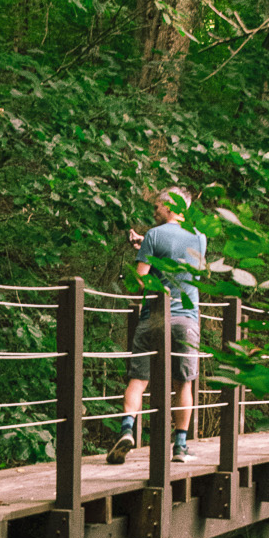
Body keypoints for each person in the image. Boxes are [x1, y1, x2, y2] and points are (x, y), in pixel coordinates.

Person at [107, 187, 207, 465]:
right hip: (187, 318)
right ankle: (180, 446)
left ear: (170, 205)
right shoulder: (200, 238)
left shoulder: (154, 234)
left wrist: (147, 251)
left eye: (158, 206)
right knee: (183, 382)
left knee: (138, 379)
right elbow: (194, 270)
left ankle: (127, 429)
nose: (154, 210)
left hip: (155, 317)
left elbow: (141, 280)